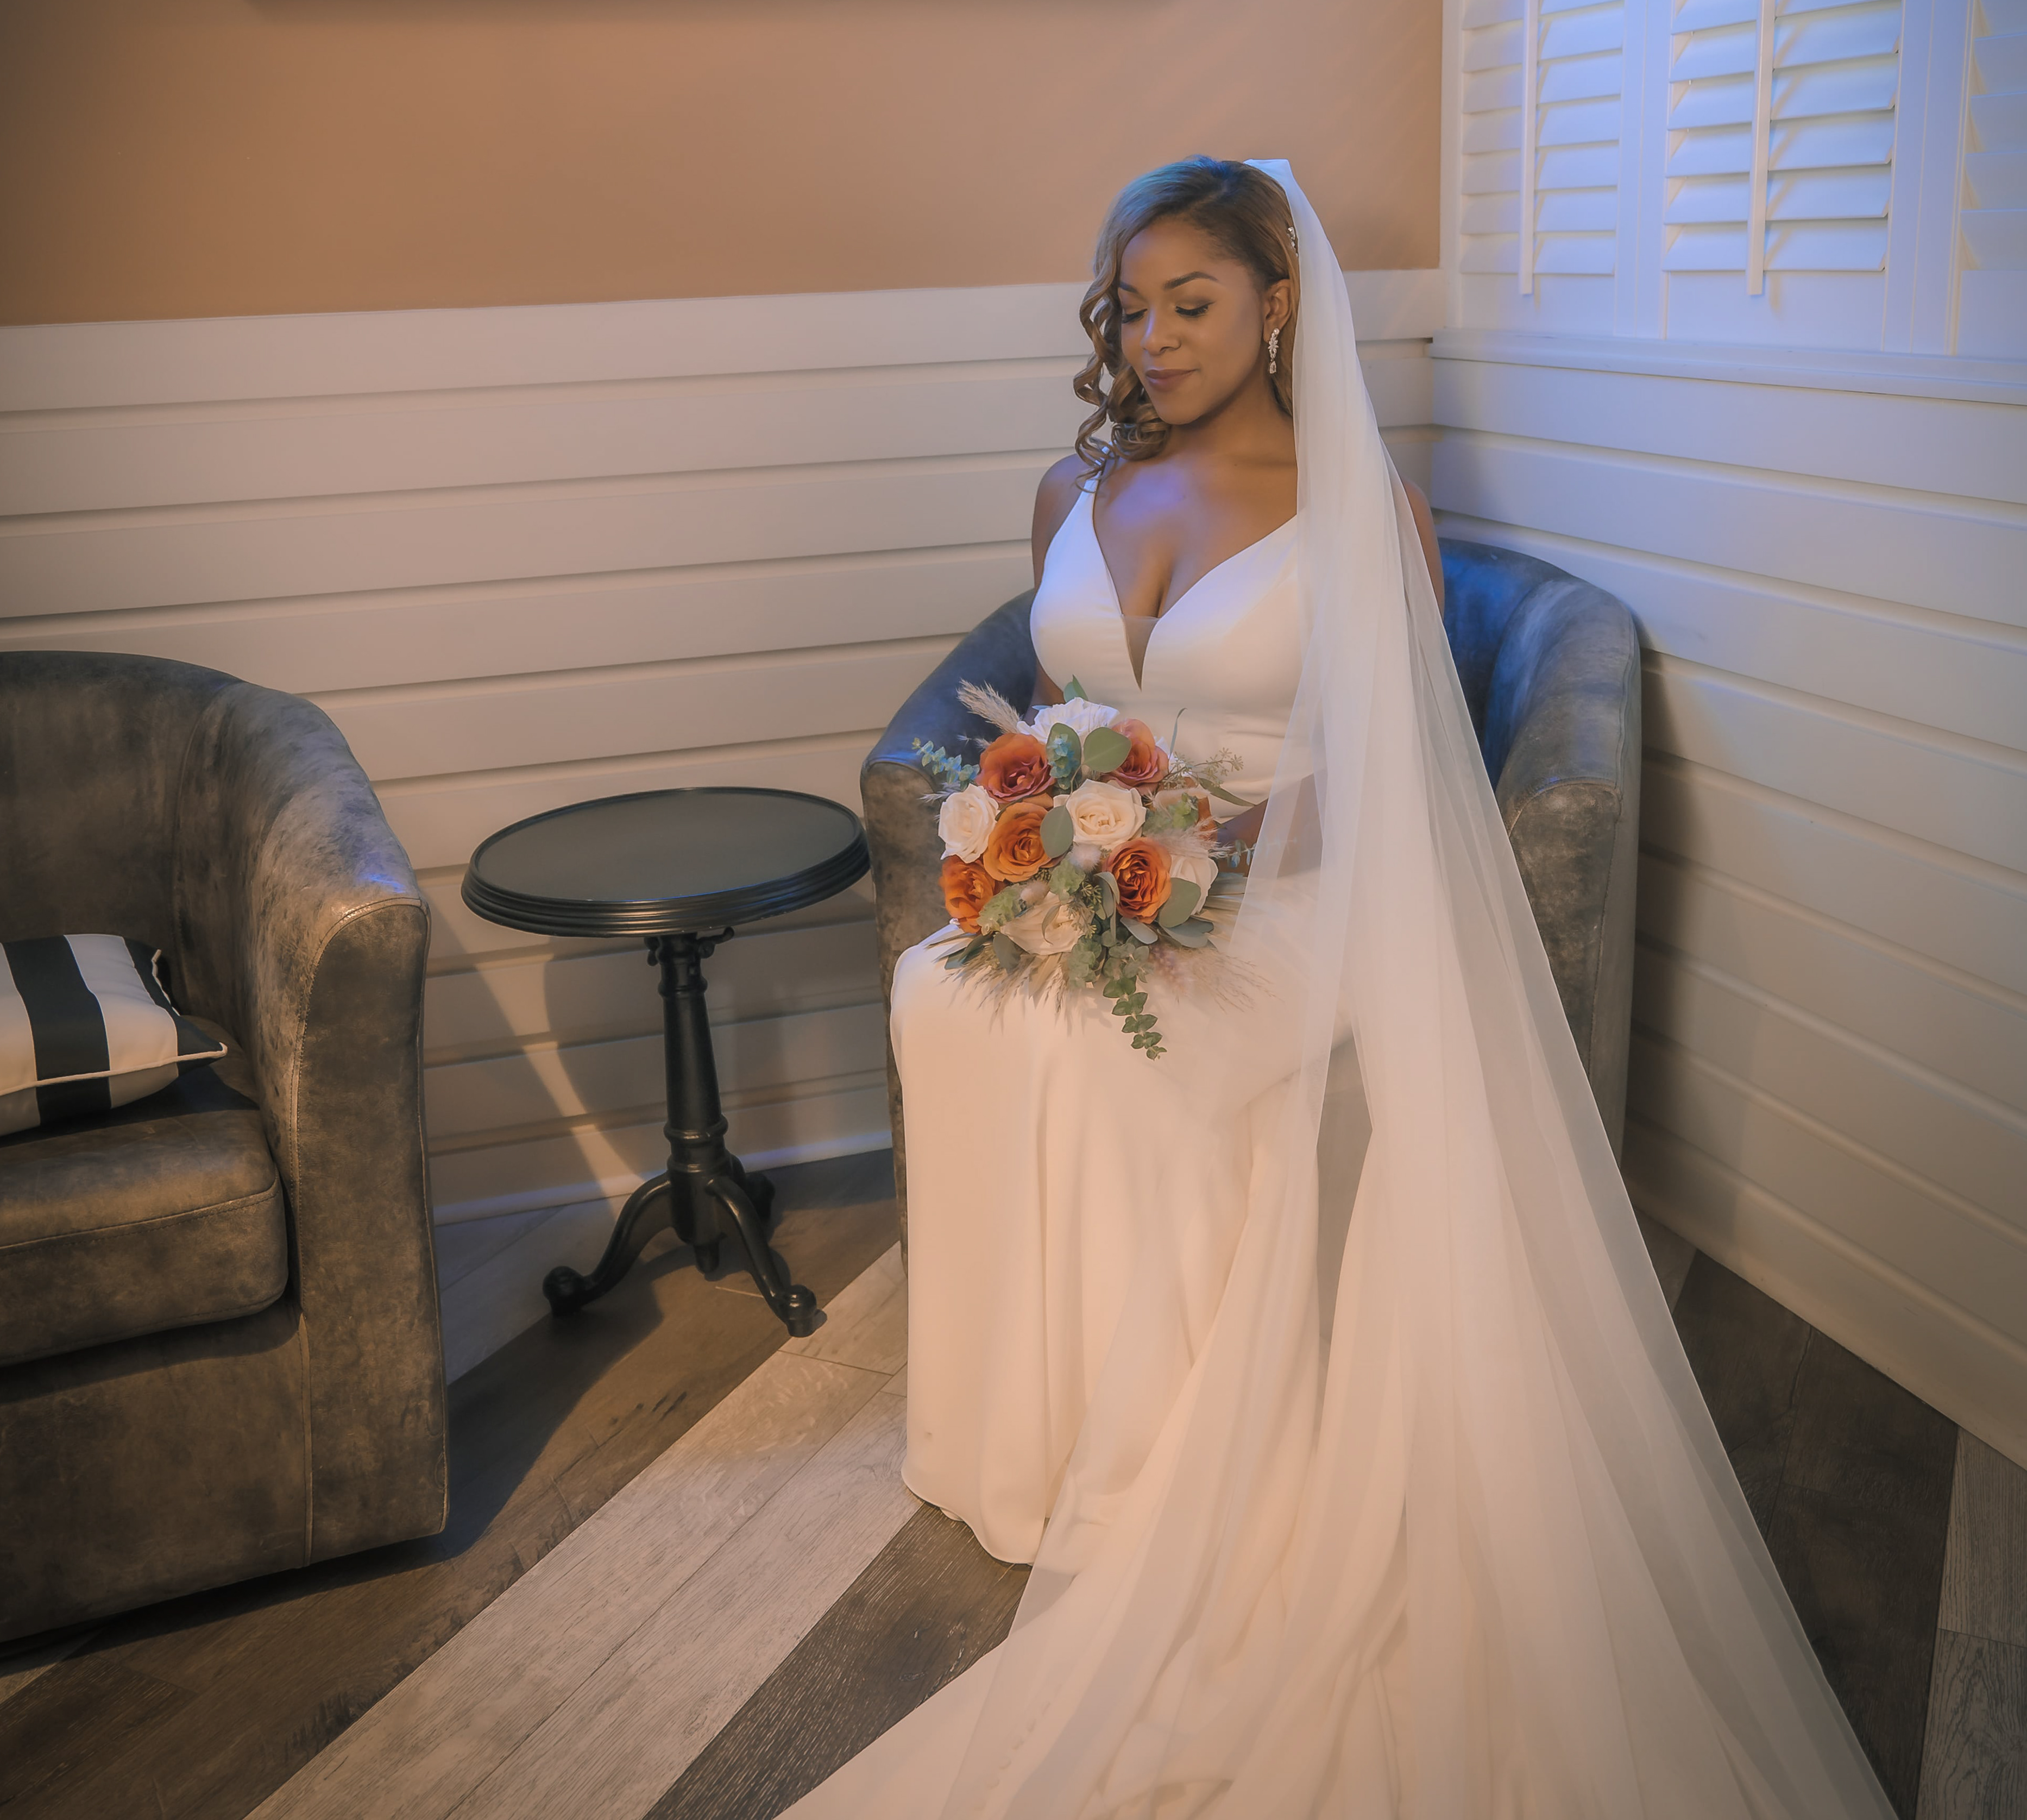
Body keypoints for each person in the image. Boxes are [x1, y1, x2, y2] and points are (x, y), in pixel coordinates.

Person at [786, 158, 1894, 1818]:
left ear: (1280, 303)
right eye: (1132, 310)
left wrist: (1199, 849)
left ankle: (1152, 1470)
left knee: (1139, 1054)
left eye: (1194, 303)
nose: (1156, 340)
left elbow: (1392, 771)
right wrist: (1050, 843)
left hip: (1302, 890)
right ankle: (1012, 1437)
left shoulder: (1363, 507)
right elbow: (1053, 719)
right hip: (1106, 874)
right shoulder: (1068, 490)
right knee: (950, 996)